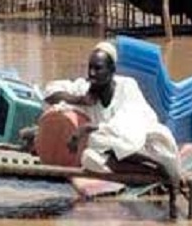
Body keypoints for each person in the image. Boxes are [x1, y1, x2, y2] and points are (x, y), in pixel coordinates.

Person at [43, 40, 184, 189]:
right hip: (112, 150)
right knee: (89, 157)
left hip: (144, 144)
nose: (92, 73)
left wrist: (87, 128)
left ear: (111, 70)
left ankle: (157, 164)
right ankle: (151, 171)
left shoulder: (127, 86)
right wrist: (79, 100)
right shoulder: (87, 90)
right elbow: (49, 92)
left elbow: (125, 127)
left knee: (97, 139)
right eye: (90, 68)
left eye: (98, 68)